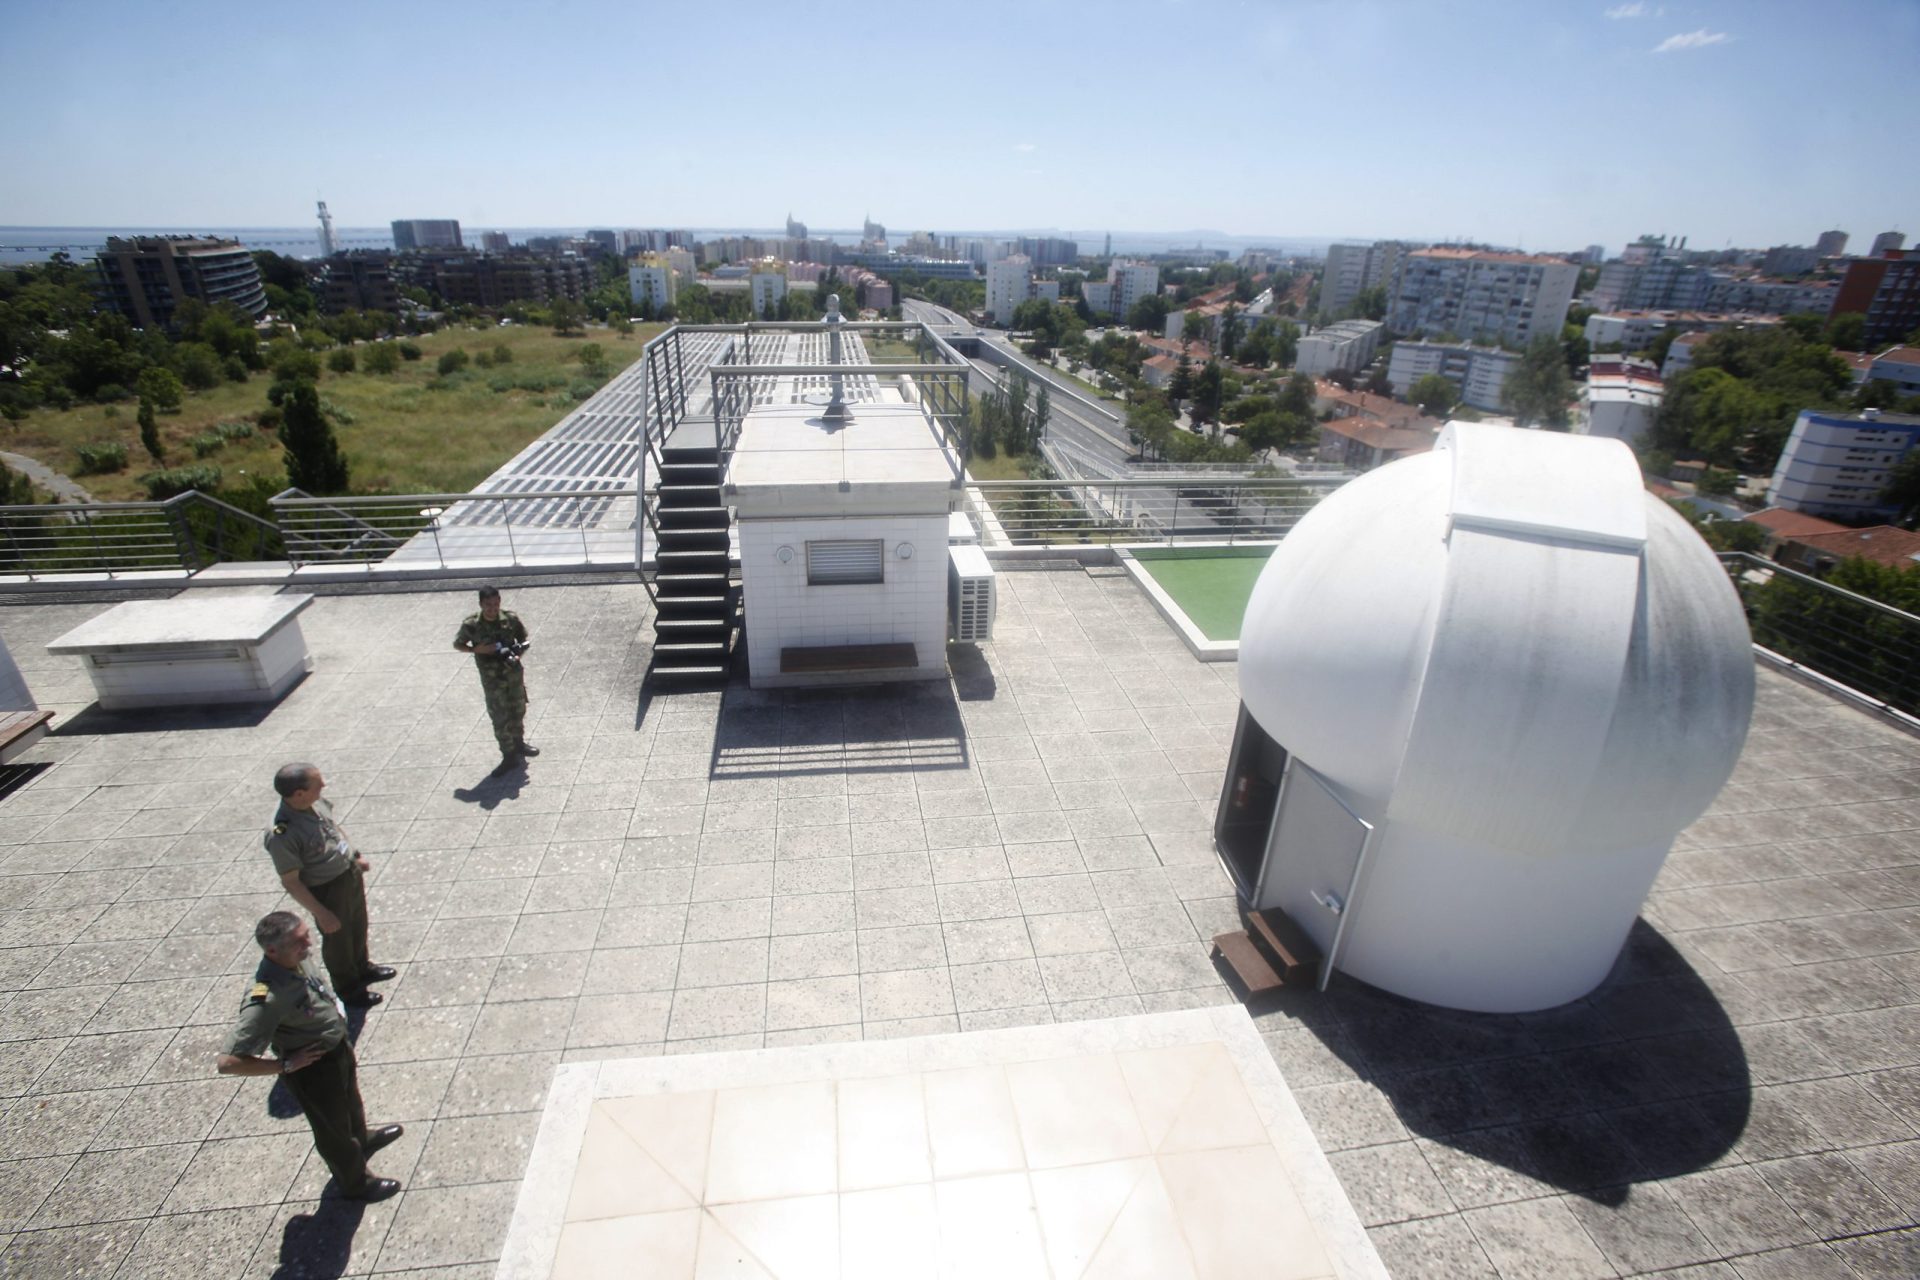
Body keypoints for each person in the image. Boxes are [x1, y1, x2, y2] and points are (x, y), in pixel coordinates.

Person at [216, 911, 403, 1201]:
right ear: (272, 950)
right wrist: (285, 1065)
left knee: (351, 1101)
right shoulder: (265, 998)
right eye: (299, 941)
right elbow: (229, 1063)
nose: (309, 944)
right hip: (313, 1068)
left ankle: (363, 1139)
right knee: (333, 1131)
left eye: (306, 935)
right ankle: (356, 1184)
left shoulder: (298, 959)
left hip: (336, 1048)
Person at [265, 763, 394, 1008]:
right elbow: (291, 882)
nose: (323, 786)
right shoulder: (282, 833)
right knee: (338, 941)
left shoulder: (314, 803)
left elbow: (333, 828)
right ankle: (348, 989)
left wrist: (355, 855)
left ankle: (362, 968)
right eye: (317, 784)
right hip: (326, 889)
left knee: (357, 925)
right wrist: (321, 913)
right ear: (299, 793)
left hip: (348, 875)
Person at [453, 586, 538, 777]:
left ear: (499, 601)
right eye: (488, 605)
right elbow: (457, 644)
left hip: (513, 675)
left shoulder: (510, 619)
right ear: (481, 604)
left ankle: (519, 744)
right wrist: (477, 650)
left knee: (518, 710)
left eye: (495, 604)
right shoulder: (472, 625)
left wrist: (517, 655)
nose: (492, 608)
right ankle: (508, 756)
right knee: (500, 718)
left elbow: (523, 639)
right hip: (492, 680)